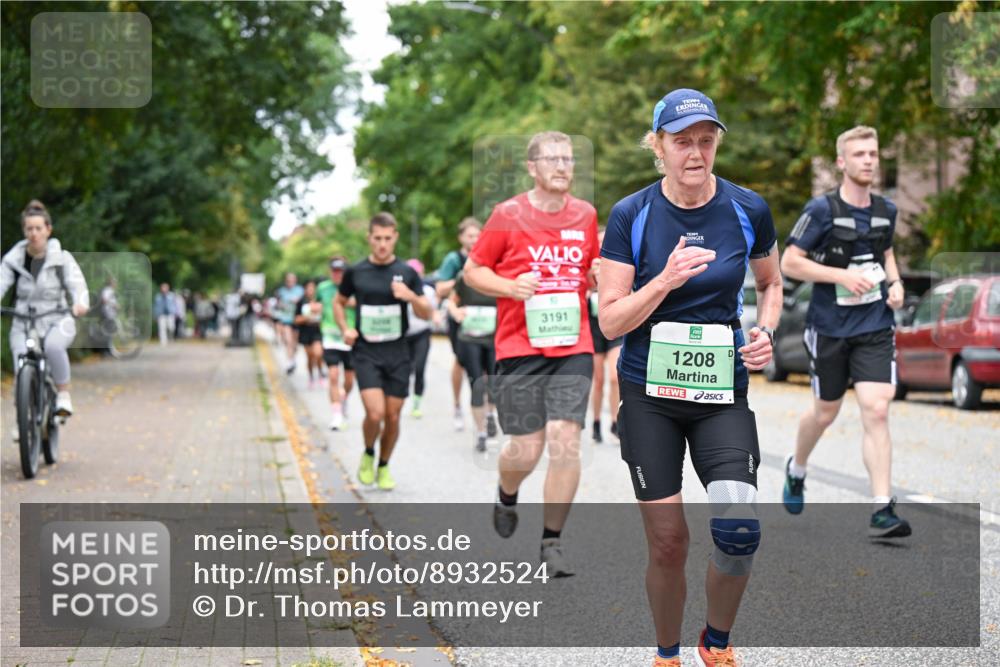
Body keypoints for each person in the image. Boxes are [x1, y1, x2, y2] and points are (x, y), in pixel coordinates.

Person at [598, 89, 782, 667]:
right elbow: (609, 320)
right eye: (682, 142)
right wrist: (664, 282)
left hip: (722, 391)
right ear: (659, 147)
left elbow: (771, 283)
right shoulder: (632, 214)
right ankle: (666, 653)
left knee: (738, 531)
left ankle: (717, 644)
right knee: (669, 542)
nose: (696, 153)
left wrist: (766, 332)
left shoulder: (747, 209)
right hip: (648, 395)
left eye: (706, 140)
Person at [464, 130, 599, 578]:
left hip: (573, 345)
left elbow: (593, 276)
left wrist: (599, 275)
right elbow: (473, 270)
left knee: (565, 439)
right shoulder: (507, 215)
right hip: (520, 347)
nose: (563, 166)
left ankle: (551, 543)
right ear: (532, 167)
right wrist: (509, 286)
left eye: (569, 159)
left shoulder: (585, 215)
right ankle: (507, 493)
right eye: (553, 159)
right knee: (525, 449)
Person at [780, 125, 911, 538]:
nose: (869, 160)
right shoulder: (821, 210)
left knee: (876, 407)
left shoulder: (886, 209)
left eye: (873, 153)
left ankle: (881, 508)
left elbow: (886, 252)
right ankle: (796, 468)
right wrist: (840, 274)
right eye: (860, 154)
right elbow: (790, 262)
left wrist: (895, 283)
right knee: (826, 411)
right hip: (830, 326)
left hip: (874, 323)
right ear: (842, 162)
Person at [334, 213, 432, 491]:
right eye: (377, 238)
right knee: (375, 413)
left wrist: (411, 296)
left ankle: (384, 464)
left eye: (387, 239)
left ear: (395, 237)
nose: (382, 244)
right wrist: (345, 328)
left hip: (398, 352)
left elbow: (427, 313)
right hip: (366, 351)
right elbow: (338, 302)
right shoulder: (356, 272)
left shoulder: (407, 273)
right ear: (369, 238)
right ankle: (368, 451)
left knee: (392, 416)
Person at [0, 200, 90, 421]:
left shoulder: (62, 258)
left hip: (57, 318)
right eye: (29, 228)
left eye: (38, 228)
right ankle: (24, 417)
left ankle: (63, 395)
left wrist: (80, 303)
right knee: (21, 362)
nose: (33, 233)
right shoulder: (14, 260)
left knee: (53, 346)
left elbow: (78, 285)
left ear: (48, 229)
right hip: (24, 320)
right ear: (24, 231)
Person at [434, 217, 482, 431]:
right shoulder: (453, 259)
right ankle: (456, 406)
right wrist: (464, 279)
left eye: (477, 235)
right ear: (461, 238)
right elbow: (440, 289)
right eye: (470, 235)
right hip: (459, 317)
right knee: (461, 361)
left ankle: (486, 409)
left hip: (483, 317)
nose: (474, 239)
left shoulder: (486, 257)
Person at [448, 270, 498, 452]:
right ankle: (481, 432)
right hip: (470, 339)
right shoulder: (464, 276)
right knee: (476, 384)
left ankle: (490, 414)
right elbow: (451, 301)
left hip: (494, 338)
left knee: (494, 382)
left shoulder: (500, 275)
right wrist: (455, 312)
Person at [589, 229, 624, 444]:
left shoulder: (621, 264)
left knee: (614, 376)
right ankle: (595, 422)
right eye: (599, 241)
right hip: (593, 328)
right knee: (598, 380)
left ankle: (614, 421)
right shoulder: (588, 267)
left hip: (615, 327)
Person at [317, 257, 356, 431]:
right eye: (334, 270)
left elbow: (361, 304)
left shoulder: (352, 286)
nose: (337, 274)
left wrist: (347, 303)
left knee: (349, 380)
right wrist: (312, 308)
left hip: (350, 338)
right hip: (330, 337)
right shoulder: (323, 288)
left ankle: (344, 398)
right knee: (333, 376)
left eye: (340, 271)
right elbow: (316, 305)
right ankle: (337, 415)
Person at [403, 259, 438, 418]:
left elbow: (432, 311)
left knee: (419, 368)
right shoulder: (399, 290)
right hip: (404, 336)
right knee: (405, 370)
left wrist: (435, 316)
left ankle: (416, 405)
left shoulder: (428, 291)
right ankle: (401, 399)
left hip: (422, 333)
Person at [293, 279, 324, 389]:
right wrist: (307, 317)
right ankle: (311, 377)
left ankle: (321, 373)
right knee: (310, 357)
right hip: (305, 332)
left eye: (312, 287)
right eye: (308, 287)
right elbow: (296, 319)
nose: (310, 290)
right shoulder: (301, 301)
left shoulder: (321, 300)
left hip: (318, 331)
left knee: (318, 354)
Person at [276, 273, 304, 373]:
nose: (290, 282)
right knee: (288, 341)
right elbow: (278, 304)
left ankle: (293, 358)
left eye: (292, 280)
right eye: (288, 280)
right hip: (286, 319)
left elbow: (303, 302)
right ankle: (290, 361)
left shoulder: (300, 290)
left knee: (294, 343)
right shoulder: (281, 291)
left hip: (297, 319)